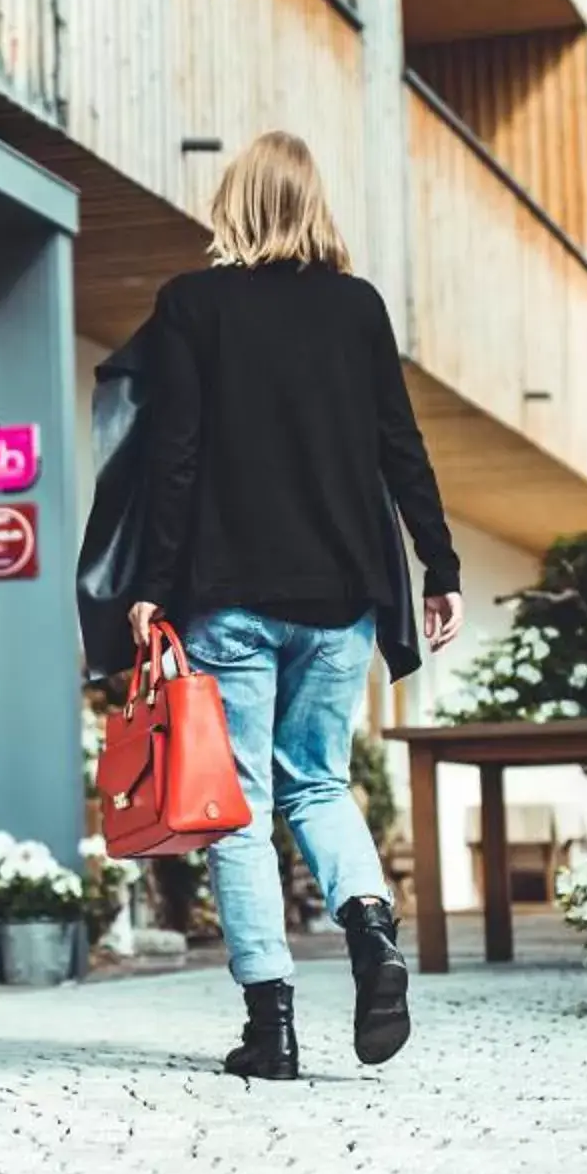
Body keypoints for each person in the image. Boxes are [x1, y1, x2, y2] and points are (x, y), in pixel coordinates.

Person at [115, 131, 463, 1080]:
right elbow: (402, 446)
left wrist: (150, 585)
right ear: (315, 207)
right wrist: (441, 567)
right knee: (318, 784)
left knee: (240, 811)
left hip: (229, 595)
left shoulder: (193, 306)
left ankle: (270, 1027)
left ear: (233, 205)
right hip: (342, 596)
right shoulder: (357, 310)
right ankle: (370, 932)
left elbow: (173, 458)